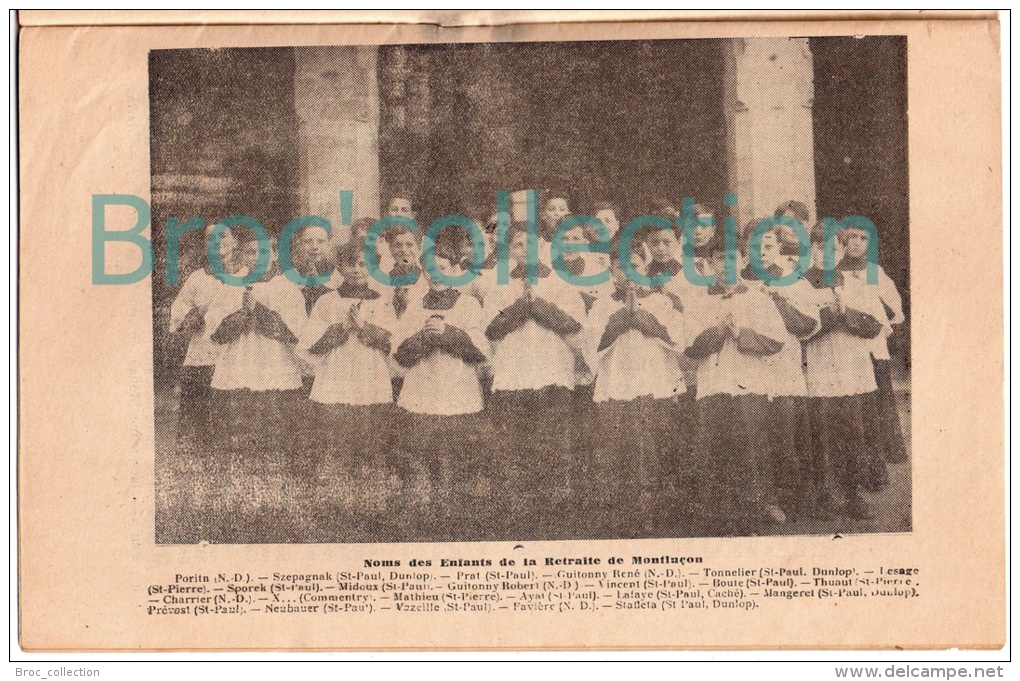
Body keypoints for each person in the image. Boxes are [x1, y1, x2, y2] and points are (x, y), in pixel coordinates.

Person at [484, 223, 588, 515]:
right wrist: (520, 308)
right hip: (513, 374)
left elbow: (577, 329)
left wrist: (539, 306)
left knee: (553, 442)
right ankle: (517, 505)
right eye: (518, 245)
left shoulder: (561, 283)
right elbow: (490, 331)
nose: (525, 250)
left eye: (531, 243)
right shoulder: (498, 285)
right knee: (515, 444)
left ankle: (557, 506)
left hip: (552, 373)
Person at [684, 245, 788, 535]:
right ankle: (720, 510)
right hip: (713, 384)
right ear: (710, 263)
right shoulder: (697, 300)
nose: (726, 263)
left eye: (732, 256)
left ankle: (761, 503)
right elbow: (690, 346)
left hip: (749, 382)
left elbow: (776, 341)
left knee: (754, 445)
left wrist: (740, 334)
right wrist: (718, 331)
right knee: (717, 446)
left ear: (743, 260)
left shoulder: (757, 299)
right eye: (720, 257)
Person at [586, 242, 688, 535]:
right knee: (620, 450)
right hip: (617, 385)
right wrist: (621, 318)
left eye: (635, 266)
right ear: (612, 271)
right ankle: (622, 512)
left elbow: (677, 341)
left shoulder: (661, 302)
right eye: (621, 266)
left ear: (645, 269)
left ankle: (654, 511)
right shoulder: (603, 305)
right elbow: (591, 346)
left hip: (654, 384)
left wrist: (641, 317)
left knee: (654, 448)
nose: (629, 273)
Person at [392, 250, 490, 518]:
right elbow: (399, 354)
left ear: (454, 269)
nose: (436, 275)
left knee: (458, 453)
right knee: (425, 453)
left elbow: (480, 353)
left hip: (458, 389)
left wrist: (448, 334)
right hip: (423, 387)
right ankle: (429, 508)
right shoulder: (415, 306)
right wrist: (423, 337)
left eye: (442, 268)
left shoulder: (468, 304)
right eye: (429, 269)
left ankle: (461, 509)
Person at [802, 225, 888, 520]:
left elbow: (876, 324)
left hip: (852, 368)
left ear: (841, 251)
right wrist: (831, 317)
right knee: (822, 434)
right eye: (819, 247)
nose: (826, 254)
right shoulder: (801, 284)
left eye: (833, 249)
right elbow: (801, 330)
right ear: (811, 249)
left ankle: (853, 494)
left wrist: (846, 315)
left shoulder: (855, 282)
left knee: (851, 432)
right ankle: (825, 495)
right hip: (821, 368)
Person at [741, 226, 821, 518]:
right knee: (754, 441)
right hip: (747, 373)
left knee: (787, 438)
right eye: (754, 245)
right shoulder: (736, 283)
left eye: (768, 245)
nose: (761, 251)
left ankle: (796, 501)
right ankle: (766, 500)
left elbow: (806, 327)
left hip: (784, 372)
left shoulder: (793, 282)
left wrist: (776, 299)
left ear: (779, 249)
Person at [206, 233, 308, 464]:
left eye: (264, 252)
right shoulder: (230, 287)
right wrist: (242, 313)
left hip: (274, 364)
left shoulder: (287, 289)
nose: (257, 258)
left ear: (274, 255)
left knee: (274, 429)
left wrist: (259, 312)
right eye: (251, 252)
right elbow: (216, 333)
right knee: (239, 429)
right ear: (241, 255)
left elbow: (296, 334)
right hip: (238, 363)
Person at [297, 242, 395, 479]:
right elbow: (311, 343)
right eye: (350, 264)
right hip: (337, 368)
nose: (357, 270)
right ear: (340, 267)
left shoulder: (382, 301)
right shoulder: (327, 301)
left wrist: (363, 326)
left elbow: (392, 341)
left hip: (370, 369)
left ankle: (366, 474)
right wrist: (342, 327)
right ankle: (337, 475)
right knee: (337, 427)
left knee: (367, 427)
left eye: (363, 264)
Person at [836, 225, 907, 465]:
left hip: (873, 341)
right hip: (847, 341)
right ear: (843, 242)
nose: (856, 243)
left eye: (862, 238)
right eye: (851, 238)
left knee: (881, 393)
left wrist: (874, 309)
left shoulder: (874, 271)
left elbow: (894, 305)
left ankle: (888, 450)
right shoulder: (834, 272)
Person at [168, 224, 236, 451]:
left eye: (223, 236)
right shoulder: (197, 279)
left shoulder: (245, 276)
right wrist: (194, 314)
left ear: (235, 242)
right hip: (202, 354)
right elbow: (180, 312)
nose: (217, 241)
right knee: (197, 411)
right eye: (211, 238)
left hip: (233, 355)